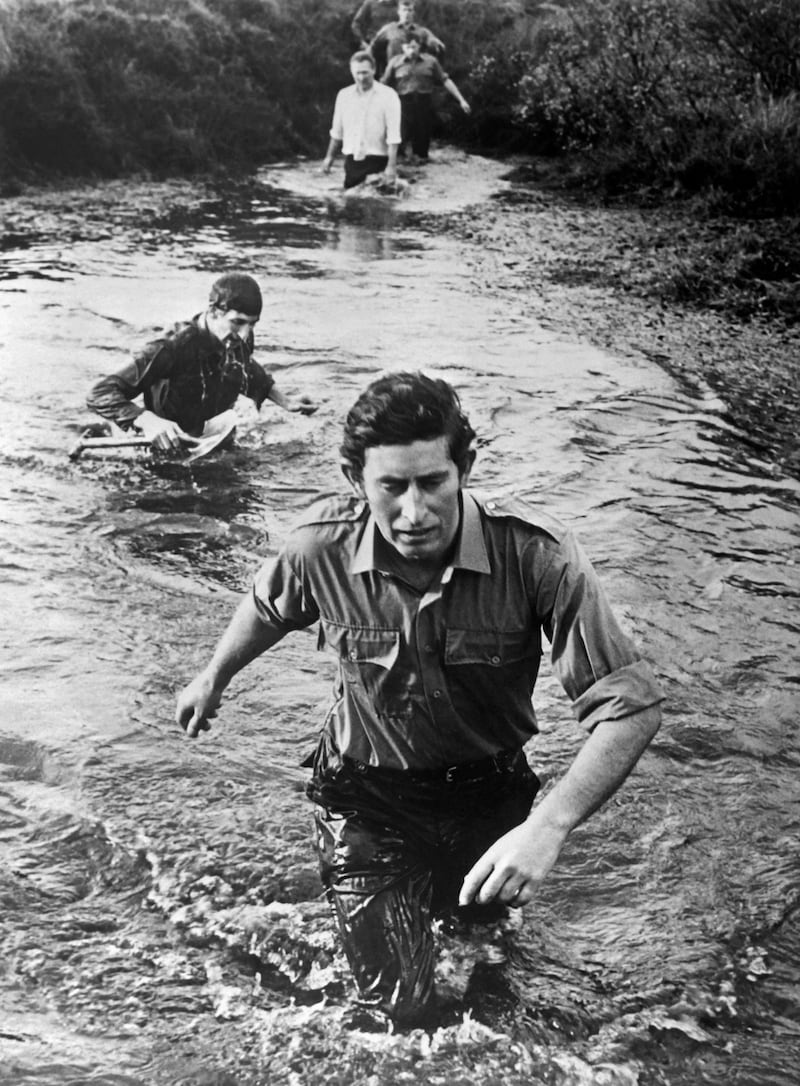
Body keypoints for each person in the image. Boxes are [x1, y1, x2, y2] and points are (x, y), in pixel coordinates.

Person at [176, 371, 663, 1029]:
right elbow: (269, 606)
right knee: (397, 1013)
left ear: (464, 468)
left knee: (484, 973)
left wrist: (549, 826)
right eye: (391, 487)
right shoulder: (321, 546)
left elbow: (629, 708)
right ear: (357, 482)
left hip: (492, 800)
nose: (415, 512)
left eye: (433, 483)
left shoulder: (536, 555)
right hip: (365, 800)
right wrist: (213, 677)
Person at [86, 273, 317, 453]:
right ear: (213, 312)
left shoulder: (238, 336)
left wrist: (286, 401)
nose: (245, 335)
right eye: (238, 322)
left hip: (208, 437)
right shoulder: (171, 347)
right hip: (166, 444)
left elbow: (248, 367)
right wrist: (147, 420)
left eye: (252, 325)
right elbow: (100, 392)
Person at [382, 32, 470, 162]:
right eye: (408, 47)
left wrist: (461, 100)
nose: (411, 50)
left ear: (419, 47)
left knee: (422, 137)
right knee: (399, 134)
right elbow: (383, 83)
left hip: (424, 102)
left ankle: (420, 160)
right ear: (402, 47)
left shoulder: (431, 61)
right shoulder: (395, 62)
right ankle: (398, 161)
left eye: (414, 47)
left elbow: (445, 80)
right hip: (402, 103)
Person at [322, 52, 402, 191]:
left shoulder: (389, 96)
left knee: (377, 206)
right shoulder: (344, 96)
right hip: (353, 161)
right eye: (357, 73)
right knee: (352, 204)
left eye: (365, 73)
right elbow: (337, 132)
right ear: (351, 71)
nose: (361, 77)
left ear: (374, 70)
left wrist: (391, 167)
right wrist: (329, 159)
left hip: (379, 160)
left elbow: (394, 136)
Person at [370, 0, 444, 77]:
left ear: (413, 13)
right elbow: (373, 47)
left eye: (410, 10)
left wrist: (434, 43)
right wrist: (374, 69)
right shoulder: (389, 29)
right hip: (393, 74)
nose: (407, 13)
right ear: (399, 12)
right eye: (404, 10)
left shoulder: (422, 31)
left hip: (416, 74)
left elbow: (436, 44)